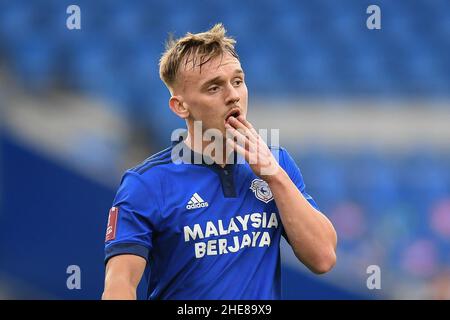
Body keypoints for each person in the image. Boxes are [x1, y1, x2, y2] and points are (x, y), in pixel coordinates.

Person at [102, 23, 337, 300]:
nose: (233, 95)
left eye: (237, 81)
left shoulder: (278, 163)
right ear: (180, 106)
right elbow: (120, 285)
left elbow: (323, 258)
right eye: (214, 88)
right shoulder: (147, 183)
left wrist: (274, 176)